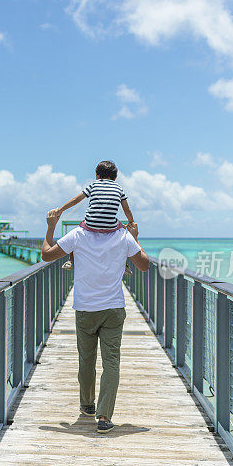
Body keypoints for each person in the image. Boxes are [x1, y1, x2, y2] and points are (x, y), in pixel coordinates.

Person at [41, 208, 149, 433]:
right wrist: (135, 238)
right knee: (111, 361)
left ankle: (87, 405)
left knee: (86, 359)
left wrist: (51, 226)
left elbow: (47, 254)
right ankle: (104, 416)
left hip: (85, 309)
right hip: (113, 308)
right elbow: (145, 265)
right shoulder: (123, 236)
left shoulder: (77, 234)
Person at [50, 160, 135, 270]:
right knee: (123, 233)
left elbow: (76, 199)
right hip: (111, 226)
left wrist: (61, 209)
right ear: (115, 177)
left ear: (97, 175)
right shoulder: (119, 188)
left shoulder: (94, 185)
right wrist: (131, 222)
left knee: (78, 232)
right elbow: (126, 209)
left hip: (90, 224)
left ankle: (71, 261)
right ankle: (125, 264)